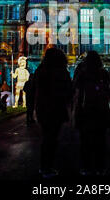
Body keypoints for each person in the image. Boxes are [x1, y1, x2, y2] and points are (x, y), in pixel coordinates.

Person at [34, 48, 72, 179]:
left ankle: (44, 167)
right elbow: (68, 90)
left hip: (42, 107)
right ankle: (48, 167)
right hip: (56, 108)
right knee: (52, 138)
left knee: (46, 138)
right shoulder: (61, 71)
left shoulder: (41, 70)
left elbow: (34, 87)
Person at [73, 51, 110, 176]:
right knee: (101, 141)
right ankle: (100, 167)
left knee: (85, 141)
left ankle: (86, 167)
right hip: (101, 109)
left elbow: (76, 90)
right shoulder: (104, 73)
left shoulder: (83, 73)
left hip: (86, 109)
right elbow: (108, 91)